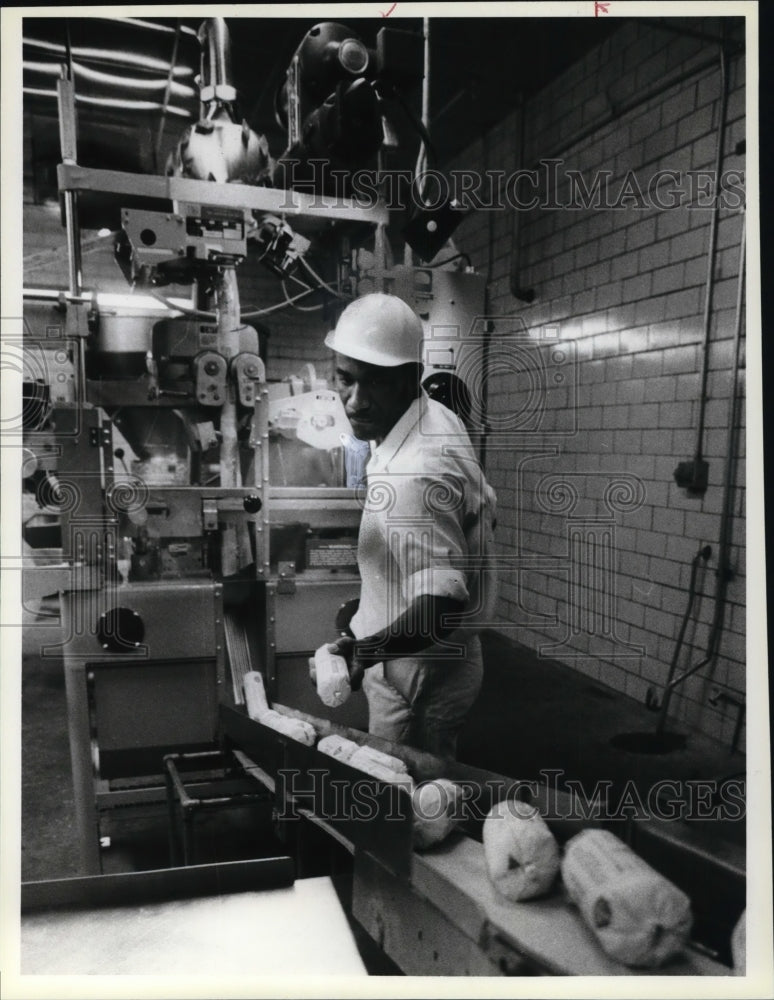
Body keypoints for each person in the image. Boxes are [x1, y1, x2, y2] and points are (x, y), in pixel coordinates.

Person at [319, 292, 497, 759]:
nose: (355, 401)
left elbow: (438, 608)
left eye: (374, 382)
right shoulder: (429, 416)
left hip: (420, 674)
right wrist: (371, 610)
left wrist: (363, 651)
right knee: (411, 795)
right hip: (425, 659)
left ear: (411, 378)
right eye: (345, 378)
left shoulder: (413, 471)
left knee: (407, 799)